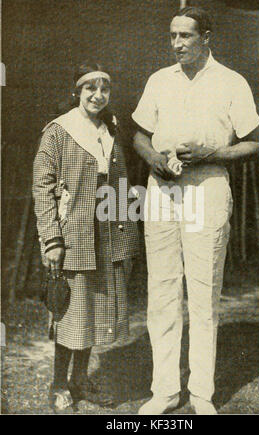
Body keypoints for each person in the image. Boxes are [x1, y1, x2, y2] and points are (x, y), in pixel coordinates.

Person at [132, 6, 259, 415]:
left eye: (185, 36)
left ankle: (202, 395)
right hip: (162, 192)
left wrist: (212, 152)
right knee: (163, 293)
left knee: (204, 295)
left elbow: (254, 143)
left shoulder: (231, 82)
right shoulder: (158, 80)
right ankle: (165, 391)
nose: (176, 44)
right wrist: (153, 158)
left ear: (206, 37)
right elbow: (140, 135)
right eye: (172, 35)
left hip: (208, 189)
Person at [33, 61, 139, 413]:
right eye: (90, 88)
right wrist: (52, 239)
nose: (98, 95)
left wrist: (126, 234)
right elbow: (42, 187)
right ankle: (58, 384)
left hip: (106, 233)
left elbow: (120, 186)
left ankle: (81, 380)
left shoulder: (110, 129)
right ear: (76, 91)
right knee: (69, 311)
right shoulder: (59, 131)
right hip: (73, 233)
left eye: (104, 88)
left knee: (93, 311)